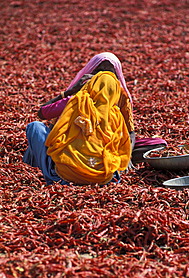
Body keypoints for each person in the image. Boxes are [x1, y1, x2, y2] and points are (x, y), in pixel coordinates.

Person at [23, 52, 136, 185]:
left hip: (64, 176)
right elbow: (126, 138)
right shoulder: (117, 115)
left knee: (35, 127)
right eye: (99, 71)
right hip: (104, 179)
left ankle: (43, 166)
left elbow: (42, 112)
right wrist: (126, 157)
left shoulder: (77, 100)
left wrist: (68, 93)